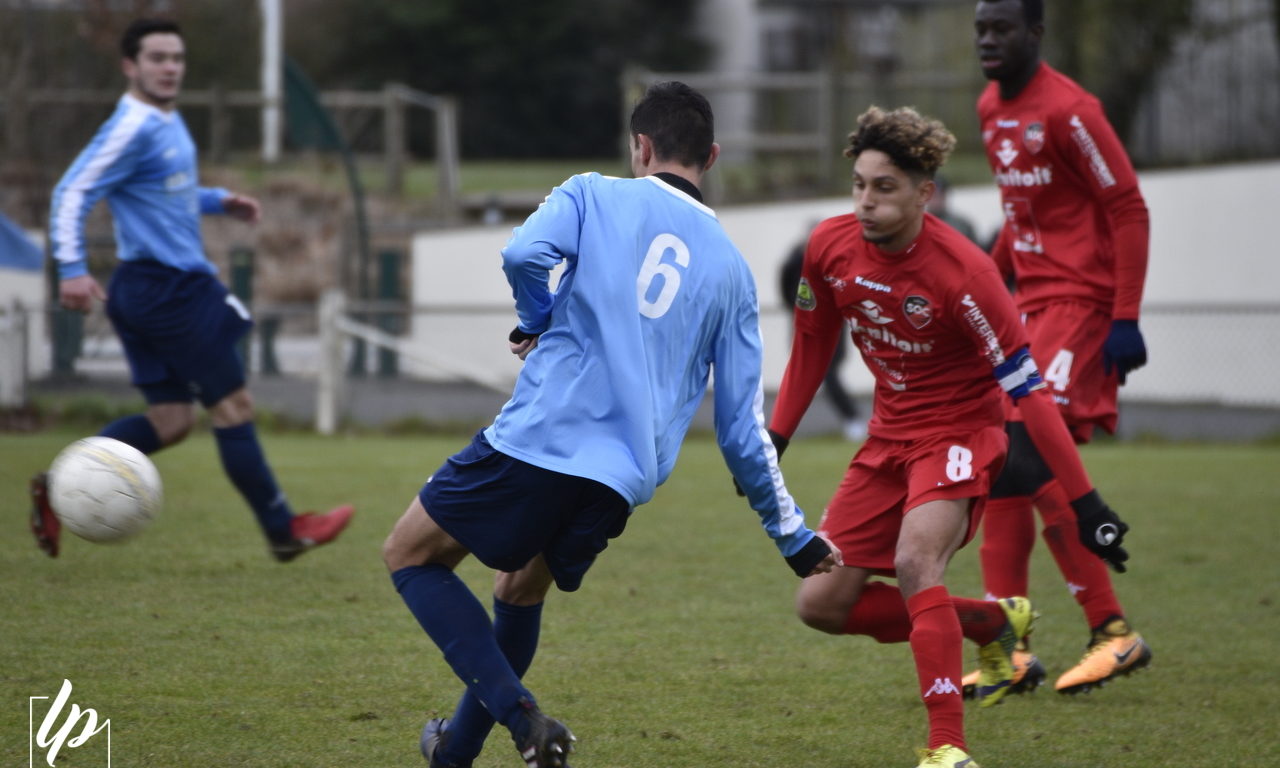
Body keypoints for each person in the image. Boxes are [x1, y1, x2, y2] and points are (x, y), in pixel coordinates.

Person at [381, 81, 840, 768]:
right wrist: (793, 536)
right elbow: (743, 427)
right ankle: (454, 756)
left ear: (641, 147)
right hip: (622, 478)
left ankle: (524, 718)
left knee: (410, 555)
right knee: (519, 590)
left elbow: (521, 255)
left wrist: (535, 320)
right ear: (710, 156)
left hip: (542, 437)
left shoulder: (592, 193)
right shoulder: (733, 274)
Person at [767, 105, 1130, 768]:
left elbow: (1029, 395)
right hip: (886, 442)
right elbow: (813, 346)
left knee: (914, 563)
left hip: (960, 435)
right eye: (859, 185)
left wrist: (1087, 503)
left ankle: (946, 747)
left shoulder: (966, 276)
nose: (866, 202)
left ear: (923, 193)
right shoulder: (829, 246)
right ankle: (986, 622)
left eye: (885, 188)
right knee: (819, 603)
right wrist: (775, 437)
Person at [31, 18, 352, 562]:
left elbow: (161, 190)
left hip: (151, 289)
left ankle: (58, 488)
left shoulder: (164, 119)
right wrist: (72, 267)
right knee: (233, 405)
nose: (170, 67)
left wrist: (216, 199)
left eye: (176, 58)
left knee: (172, 422)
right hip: (167, 291)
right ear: (129, 66)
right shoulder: (131, 125)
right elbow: (73, 190)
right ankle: (283, 529)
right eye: (157, 58)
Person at [970, 0, 1152, 697]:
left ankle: (1111, 632)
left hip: (1080, 308)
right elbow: (1024, 216)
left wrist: (1125, 316)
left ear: (1035, 34)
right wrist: (986, 278)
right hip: (1030, 306)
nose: (988, 40)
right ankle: (1012, 649)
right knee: (1006, 467)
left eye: (1003, 28)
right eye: (981, 29)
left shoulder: (1073, 110)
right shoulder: (991, 107)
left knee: (1025, 455)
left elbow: (1128, 207)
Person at [779, 225, 868, 441]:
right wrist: (794, 308)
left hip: (833, 327)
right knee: (803, 374)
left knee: (828, 374)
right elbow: (785, 283)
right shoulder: (796, 259)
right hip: (805, 324)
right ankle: (783, 429)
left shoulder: (834, 259)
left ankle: (853, 419)